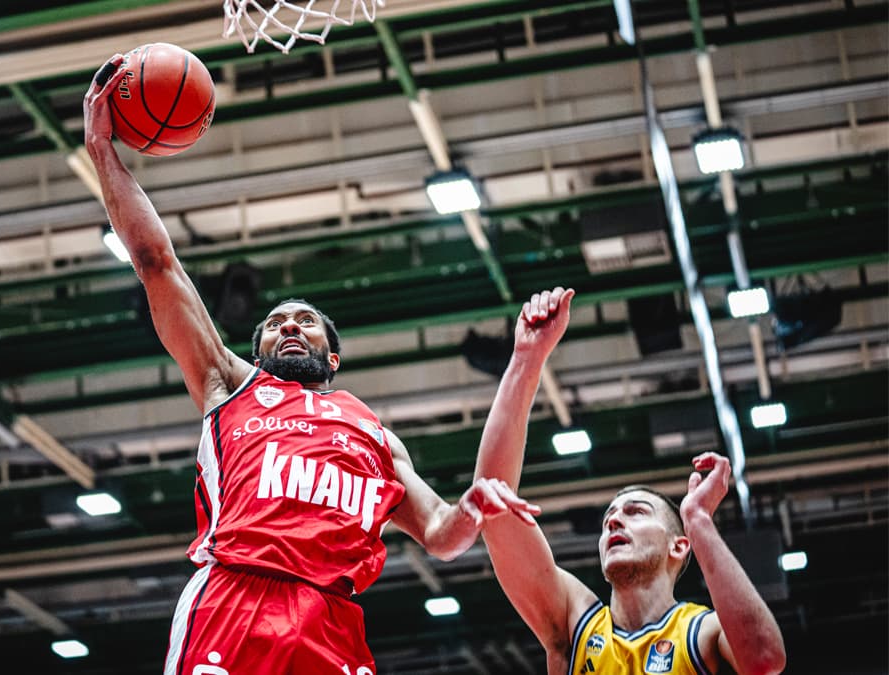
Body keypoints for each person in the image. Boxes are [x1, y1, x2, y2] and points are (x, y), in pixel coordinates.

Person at [83, 56, 572, 675]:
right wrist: (102, 151)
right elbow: (157, 262)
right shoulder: (228, 383)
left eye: (304, 320)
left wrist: (472, 505)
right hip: (235, 603)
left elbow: (444, 537)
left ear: (331, 356)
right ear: (256, 350)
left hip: (332, 623)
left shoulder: (374, 435)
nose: (289, 325)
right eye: (276, 323)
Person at [474, 295, 787, 675]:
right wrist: (526, 359)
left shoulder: (701, 631)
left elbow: (765, 659)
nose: (613, 522)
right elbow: (490, 504)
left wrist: (699, 520)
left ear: (679, 545)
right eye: (609, 518)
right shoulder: (575, 626)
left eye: (636, 511)